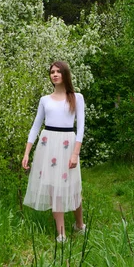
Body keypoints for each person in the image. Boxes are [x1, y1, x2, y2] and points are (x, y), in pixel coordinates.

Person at [22, 61, 86, 243]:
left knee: (72, 186)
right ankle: (61, 232)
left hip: (67, 144)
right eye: (52, 72)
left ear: (65, 74)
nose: (55, 74)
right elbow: (35, 127)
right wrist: (27, 152)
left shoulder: (76, 97)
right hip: (47, 145)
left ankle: (79, 225)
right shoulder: (45, 100)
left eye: (58, 71)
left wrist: (75, 153)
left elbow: (80, 127)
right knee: (53, 187)